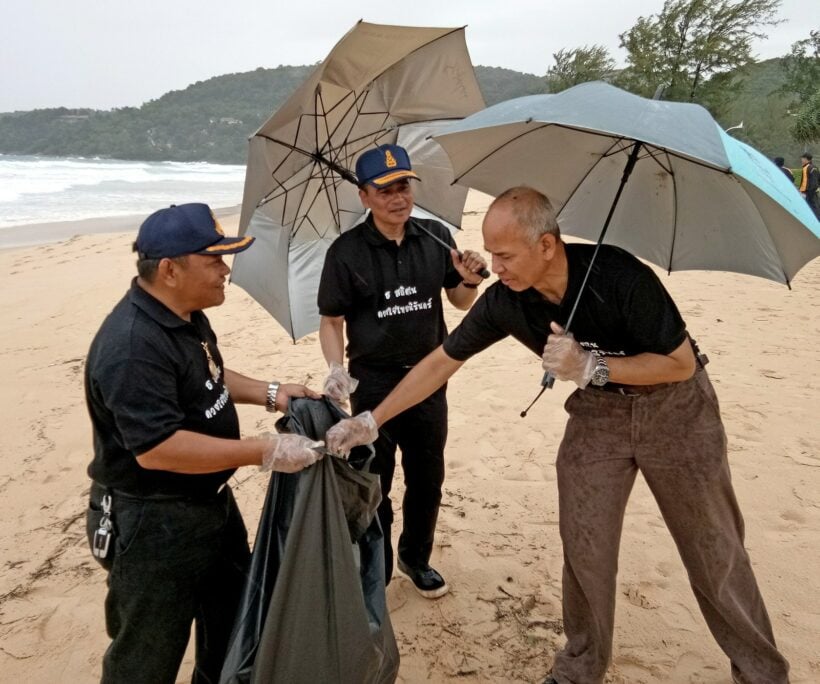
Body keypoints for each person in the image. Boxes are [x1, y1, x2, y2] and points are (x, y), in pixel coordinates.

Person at [326, 187, 790, 684]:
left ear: (546, 245)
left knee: (711, 546)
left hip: (676, 411)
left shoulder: (619, 275)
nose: (495, 269)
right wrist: (372, 419)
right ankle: (580, 667)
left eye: (505, 255)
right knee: (584, 541)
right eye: (493, 255)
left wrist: (593, 365)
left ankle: (762, 672)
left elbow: (678, 365)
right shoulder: (507, 301)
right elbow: (441, 362)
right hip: (599, 417)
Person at [84, 203, 323, 684]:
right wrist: (266, 451)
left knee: (229, 628)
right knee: (147, 656)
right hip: (152, 523)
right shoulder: (132, 345)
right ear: (170, 270)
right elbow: (159, 449)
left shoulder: (185, 314)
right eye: (213, 259)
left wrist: (270, 393)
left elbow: (208, 377)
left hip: (211, 505)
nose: (225, 270)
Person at [317, 144, 488, 599]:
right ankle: (377, 563)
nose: (398, 197)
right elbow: (331, 320)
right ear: (365, 196)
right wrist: (336, 369)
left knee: (427, 477)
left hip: (430, 378)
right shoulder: (346, 252)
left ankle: (416, 557)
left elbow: (459, 301)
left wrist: (469, 277)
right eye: (385, 189)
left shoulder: (435, 237)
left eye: (404, 185)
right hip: (372, 381)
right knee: (375, 477)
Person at [799, 152, 819, 219]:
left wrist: (810, 193)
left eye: (802, 158)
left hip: (810, 192)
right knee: (808, 209)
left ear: (806, 159)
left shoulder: (812, 168)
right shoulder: (805, 167)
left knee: (814, 208)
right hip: (805, 192)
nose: (801, 160)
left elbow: (815, 182)